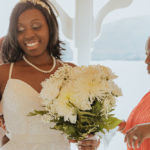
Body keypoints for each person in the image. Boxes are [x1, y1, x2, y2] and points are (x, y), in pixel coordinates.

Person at [0, 0, 100, 150]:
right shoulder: (4, 73)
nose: (28, 34)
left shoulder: (72, 73)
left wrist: (91, 139)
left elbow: (88, 128)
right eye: (20, 29)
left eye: (36, 26)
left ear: (50, 28)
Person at [118, 36, 150, 150]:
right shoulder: (147, 96)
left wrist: (147, 129)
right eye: (147, 54)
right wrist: (124, 128)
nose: (146, 61)